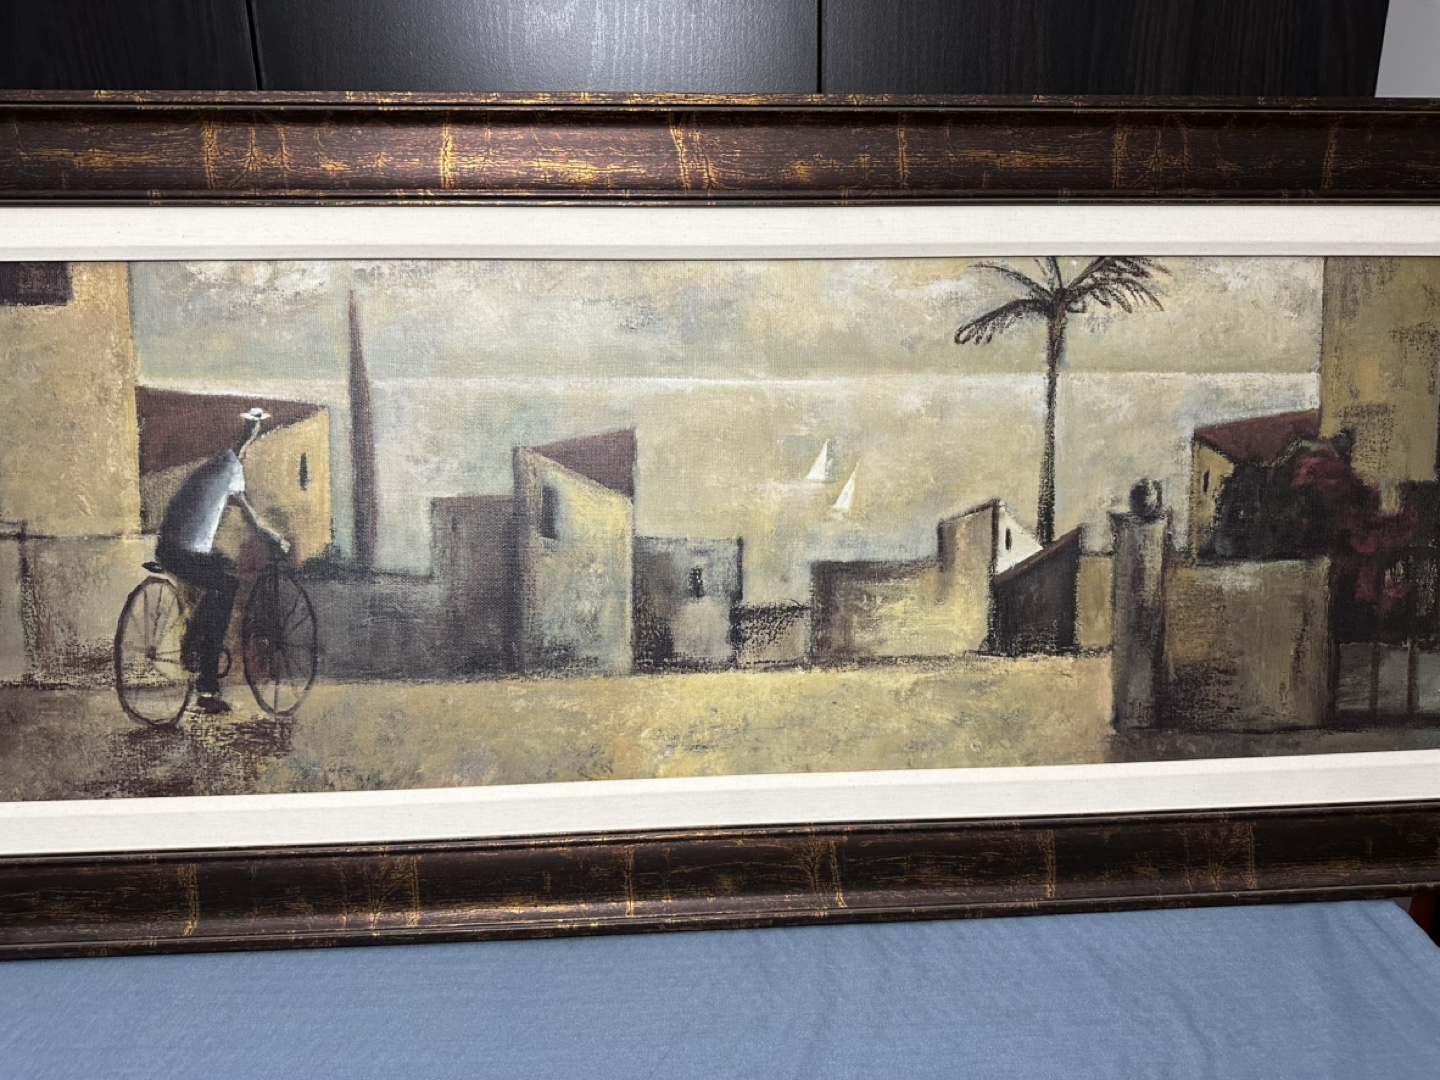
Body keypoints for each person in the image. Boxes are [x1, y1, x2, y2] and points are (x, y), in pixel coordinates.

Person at [156, 407, 290, 714]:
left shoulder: (213, 467)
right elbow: (250, 516)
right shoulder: (230, 468)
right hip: (183, 553)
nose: (254, 433)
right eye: (254, 428)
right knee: (226, 587)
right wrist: (273, 538)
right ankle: (206, 684)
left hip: (174, 549)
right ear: (250, 433)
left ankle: (193, 640)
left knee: (222, 570)